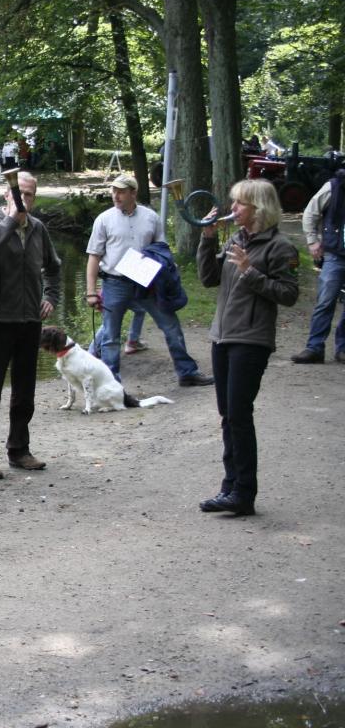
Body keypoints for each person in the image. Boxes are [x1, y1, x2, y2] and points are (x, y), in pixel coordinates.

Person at [196, 179, 299, 516]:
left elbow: (288, 294)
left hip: (251, 340)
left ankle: (244, 493)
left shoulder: (280, 247)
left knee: (239, 415)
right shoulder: (236, 239)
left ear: (259, 208)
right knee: (228, 416)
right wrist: (207, 238)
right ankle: (230, 487)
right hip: (222, 337)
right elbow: (208, 279)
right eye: (234, 203)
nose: (233, 209)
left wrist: (249, 271)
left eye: (240, 204)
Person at [0, 170, 61, 479]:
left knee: (25, 392)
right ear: (6, 195)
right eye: (18, 193)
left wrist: (50, 295)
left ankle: (19, 450)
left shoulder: (38, 229)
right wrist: (10, 221)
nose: (24, 199)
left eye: (30, 194)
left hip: (29, 321)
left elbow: (53, 268)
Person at [85, 174, 214, 386]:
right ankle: (111, 384)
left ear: (133, 193)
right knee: (110, 336)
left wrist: (164, 272)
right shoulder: (104, 219)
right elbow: (94, 256)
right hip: (115, 283)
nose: (115, 196)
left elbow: (161, 249)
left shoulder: (150, 217)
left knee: (171, 326)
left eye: (121, 191)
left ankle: (187, 372)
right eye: (113, 191)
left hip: (146, 284)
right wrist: (91, 291)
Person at [291, 170, 345, 364]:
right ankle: (314, 347)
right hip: (335, 255)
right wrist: (313, 241)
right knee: (325, 301)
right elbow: (310, 213)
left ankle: (343, 349)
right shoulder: (334, 186)